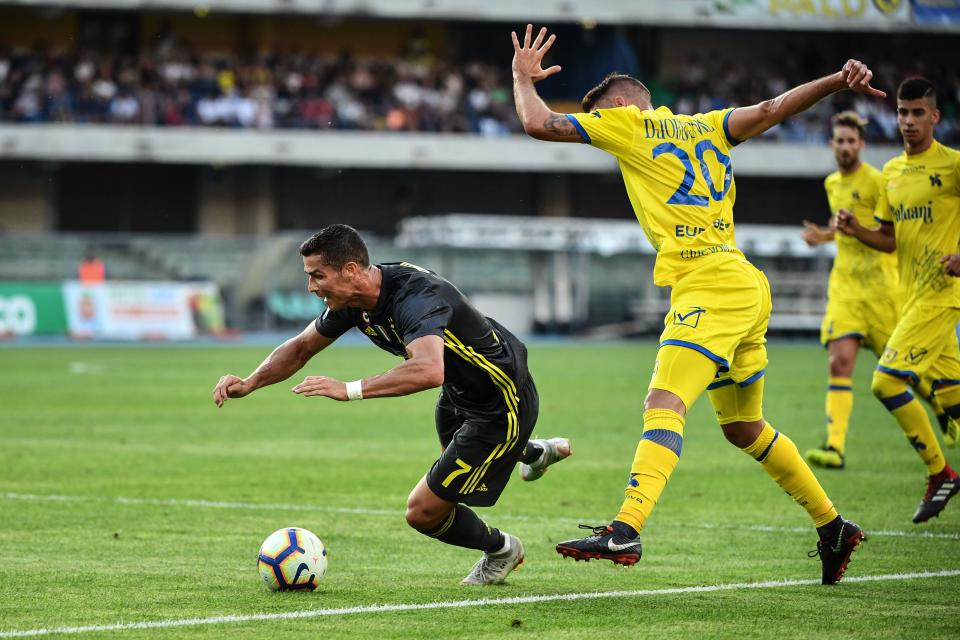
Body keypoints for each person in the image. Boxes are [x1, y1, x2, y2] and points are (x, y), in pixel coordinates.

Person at [510, 23, 880, 584]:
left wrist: (521, 76)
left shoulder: (629, 124)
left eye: (601, 113)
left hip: (708, 286)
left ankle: (625, 529)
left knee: (665, 401)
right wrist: (836, 80)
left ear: (619, 104)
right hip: (745, 284)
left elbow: (536, 122)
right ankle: (833, 526)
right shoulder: (710, 126)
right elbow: (775, 107)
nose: (601, 127)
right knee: (744, 427)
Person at [212, 224, 571, 585]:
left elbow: (429, 370)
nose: (311, 287)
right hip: (459, 392)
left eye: (317, 276)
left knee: (423, 512)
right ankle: (531, 451)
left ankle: (502, 549)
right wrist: (250, 382)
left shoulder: (416, 298)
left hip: (501, 404)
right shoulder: (354, 299)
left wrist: (350, 389)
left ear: (350, 270)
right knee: (450, 475)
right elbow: (302, 346)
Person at [835, 77, 960, 523]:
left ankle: (939, 472)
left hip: (941, 298)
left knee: (886, 382)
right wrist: (857, 231)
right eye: (903, 113)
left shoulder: (953, 165)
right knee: (951, 401)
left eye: (917, 113)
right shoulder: (891, 173)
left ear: (935, 117)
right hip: (910, 298)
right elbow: (888, 239)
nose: (908, 121)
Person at [801, 111, 951, 470]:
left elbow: (889, 232)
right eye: (839, 140)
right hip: (846, 289)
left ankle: (946, 411)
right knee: (839, 362)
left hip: (883, 291)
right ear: (832, 144)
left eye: (851, 141)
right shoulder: (830, 184)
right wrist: (823, 235)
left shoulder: (879, 181)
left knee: (905, 372)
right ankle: (835, 447)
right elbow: (843, 226)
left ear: (862, 145)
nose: (845, 146)